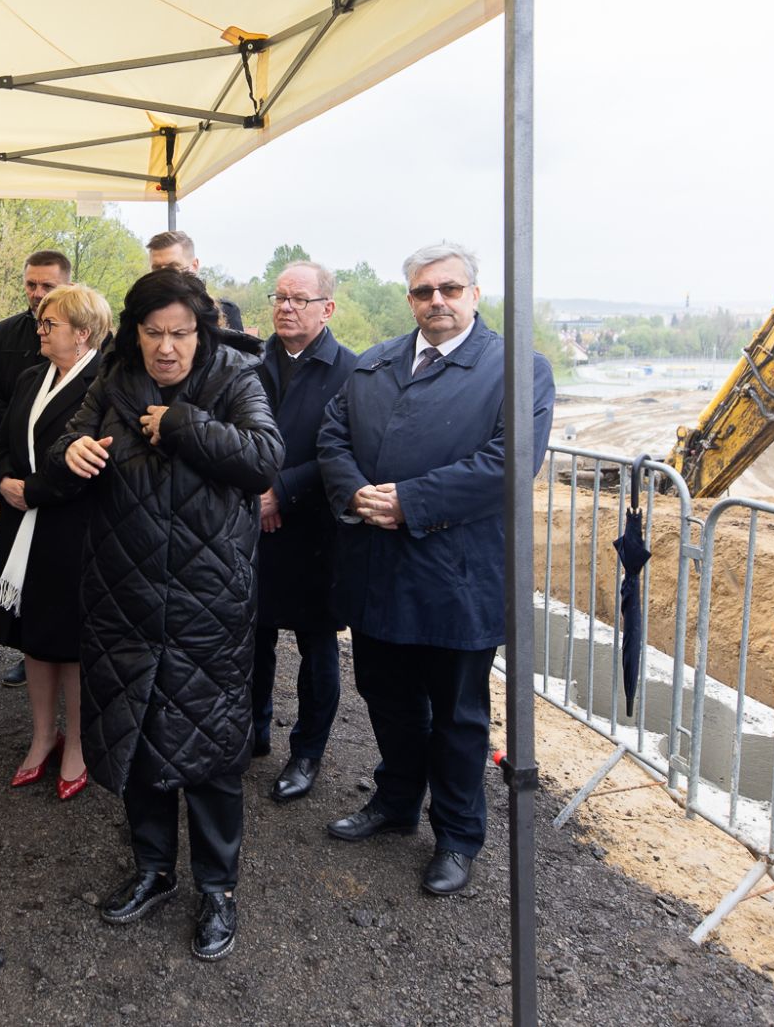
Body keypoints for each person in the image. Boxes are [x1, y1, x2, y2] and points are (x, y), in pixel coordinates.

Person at [52, 270, 282, 961]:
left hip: (207, 602)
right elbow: (68, 442)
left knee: (210, 752)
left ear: (200, 332)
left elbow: (264, 458)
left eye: (180, 333)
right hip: (123, 593)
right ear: (135, 332)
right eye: (153, 333)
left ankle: (218, 888)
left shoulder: (235, 376)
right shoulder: (114, 379)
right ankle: (153, 869)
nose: (166, 347)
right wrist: (71, 452)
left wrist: (183, 425)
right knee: (138, 736)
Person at [316, 242, 555, 896]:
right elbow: (332, 436)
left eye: (450, 288)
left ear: (475, 294)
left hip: (457, 579)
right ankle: (396, 801)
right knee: (387, 698)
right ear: (410, 299)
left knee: (457, 716)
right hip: (378, 568)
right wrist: (355, 492)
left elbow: (508, 463)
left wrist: (410, 501)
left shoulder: (518, 369)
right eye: (424, 291)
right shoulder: (375, 364)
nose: (437, 300)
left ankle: (457, 834)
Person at [0, 283, 109, 800]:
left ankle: (77, 745)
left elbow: (98, 462)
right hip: (22, 525)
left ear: (82, 333)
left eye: (49, 323)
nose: (38, 329)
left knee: (73, 644)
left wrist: (31, 490)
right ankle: (42, 737)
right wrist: (1, 481)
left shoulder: (105, 384)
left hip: (73, 529)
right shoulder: (31, 377)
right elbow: (0, 441)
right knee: (35, 637)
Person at [252, 262, 356, 803]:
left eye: (299, 299)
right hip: (251, 523)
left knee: (317, 648)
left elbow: (347, 450)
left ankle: (307, 752)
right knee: (252, 636)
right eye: (280, 297)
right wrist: (259, 491)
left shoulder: (352, 372)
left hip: (316, 531)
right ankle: (252, 729)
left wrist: (284, 491)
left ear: (326, 308)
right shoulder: (251, 362)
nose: (287, 307)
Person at [0, 248, 72, 688]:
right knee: (22, 573)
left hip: (63, 484)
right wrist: (8, 467)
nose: (37, 293)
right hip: (14, 471)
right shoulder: (2, 334)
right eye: (31, 284)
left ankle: (62, 656)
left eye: (47, 286)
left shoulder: (96, 342)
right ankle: (28, 648)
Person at [145, 229, 244, 333]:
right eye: (156, 268)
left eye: (173, 267)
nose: (163, 276)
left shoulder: (226, 312)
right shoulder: (141, 312)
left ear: (194, 266)